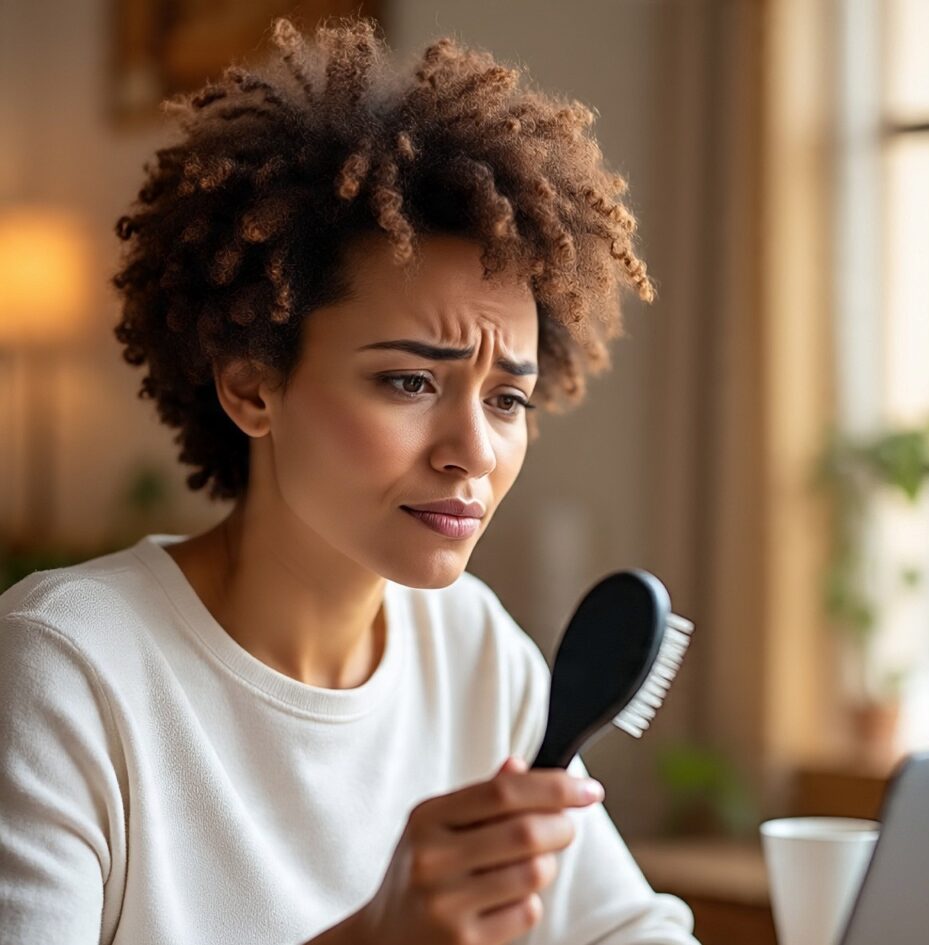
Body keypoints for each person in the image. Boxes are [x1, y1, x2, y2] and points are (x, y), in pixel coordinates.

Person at [0, 16, 699, 945]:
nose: (473, 452)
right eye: (410, 381)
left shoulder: (474, 651)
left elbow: (626, 930)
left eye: (506, 399)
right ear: (253, 384)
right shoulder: (68, 671)